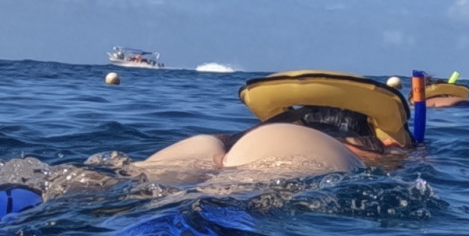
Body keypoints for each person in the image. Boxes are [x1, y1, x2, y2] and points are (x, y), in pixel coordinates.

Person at [138, 75, 413, 182]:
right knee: (217, 210)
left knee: (132, 186)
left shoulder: (241, 136)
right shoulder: (378, 147)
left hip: (206, 144)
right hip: (286, 146)